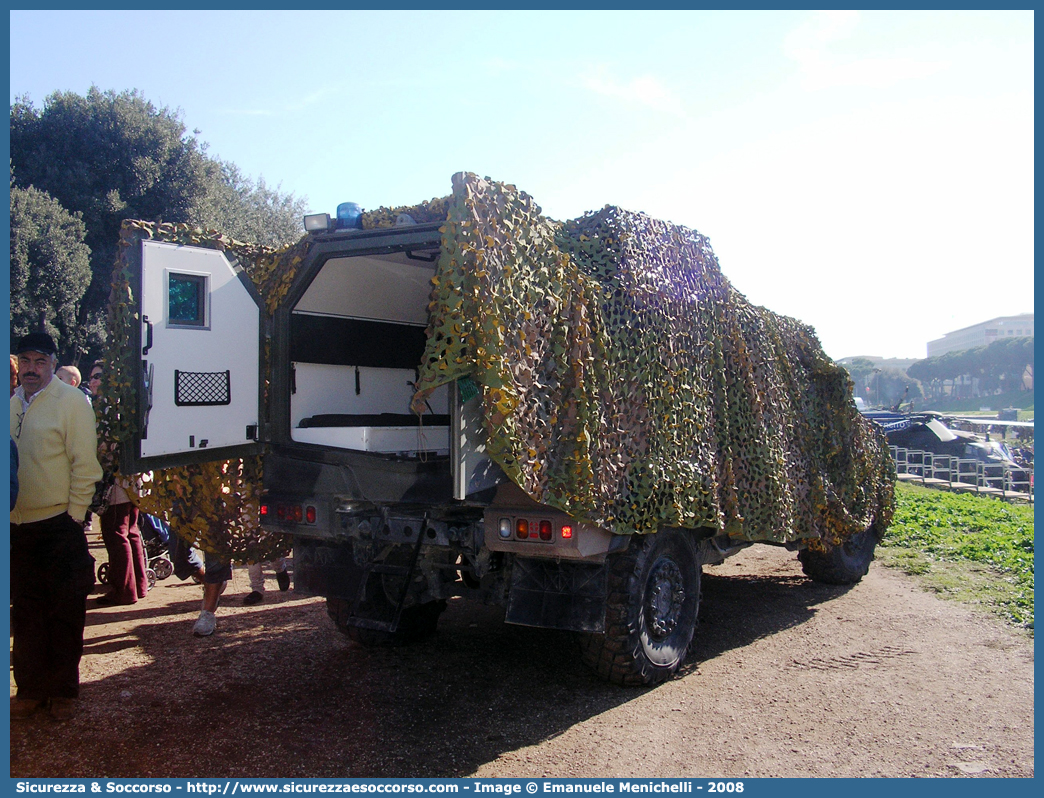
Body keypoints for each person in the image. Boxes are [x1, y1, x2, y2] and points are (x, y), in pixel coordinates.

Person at [10, 332, 103, 721]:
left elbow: (85, 463)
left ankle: (63, 689)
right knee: (26, 611)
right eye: (26, 361)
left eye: (40, 362)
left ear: (52, 362)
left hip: (59, 524)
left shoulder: (72, 403)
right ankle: (30, 689)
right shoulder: (11, 401)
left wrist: (76, 514)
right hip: (16, 526)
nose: (32, 370)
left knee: (65, 611)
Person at [91, 360, 150, 606]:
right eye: (92, 377)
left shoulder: (107, 410)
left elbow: (105, 448)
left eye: (97, 377)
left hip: (117, 481)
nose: (92, 381)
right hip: (133, 479)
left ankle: (124, 590)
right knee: (131, 532)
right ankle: (138, 584)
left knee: (115, 533)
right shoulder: (124, 406)